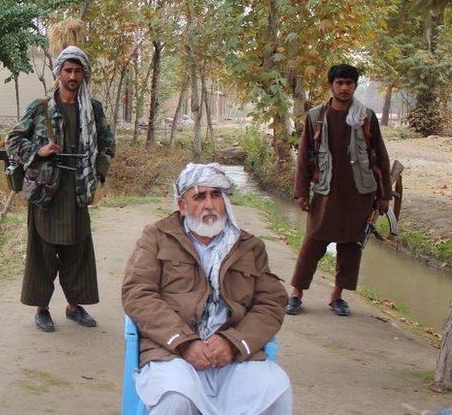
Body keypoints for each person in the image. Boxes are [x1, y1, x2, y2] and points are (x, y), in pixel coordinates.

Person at [122, 163, 292, 415]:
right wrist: (184, 342)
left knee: (276, 389)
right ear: (182, 205)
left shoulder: (249, 247)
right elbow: (137, 293)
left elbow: (271, 302)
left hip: (230, 352)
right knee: (175, 397)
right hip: (172, 352)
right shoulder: (156, 237)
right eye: (199, 196)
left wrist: (233, 342)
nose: (209, 204)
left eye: (216, 195)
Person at [6, 46, 115, 332]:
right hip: (46, 192)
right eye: (67, 70)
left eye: (78, 71)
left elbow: (107, 145)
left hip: (77, 191)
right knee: (42, 251)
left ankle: (74, 306)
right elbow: (12, 141)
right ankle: (42, 309)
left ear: (84, 75)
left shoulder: (94, 109)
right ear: (58, 74)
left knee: (78, 250)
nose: (73, 76)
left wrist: (99, 174)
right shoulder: (40, 108)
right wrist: (38, 151)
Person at [286, 63, 391, 316]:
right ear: (331, 85)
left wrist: (384, 195)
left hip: (359, 193)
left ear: (354, 86)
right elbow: (304, 157)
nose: (344, 88)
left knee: (351, 245)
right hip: (325, 191)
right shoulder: (315, 116)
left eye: (349, 83)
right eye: (339, 83)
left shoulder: (365, 116)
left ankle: (337, 297)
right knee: (313, 242)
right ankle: (296, 294)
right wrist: (301, 191)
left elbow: (380, 156)